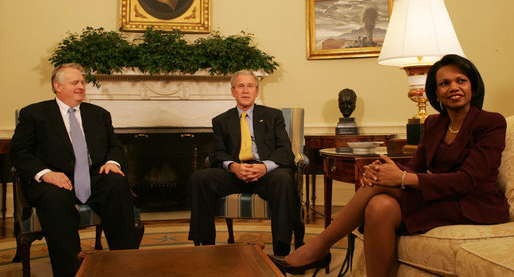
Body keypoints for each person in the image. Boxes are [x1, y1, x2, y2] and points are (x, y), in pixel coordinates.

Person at [270, 54, 509, 276]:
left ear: (472, 86)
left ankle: (319, 246)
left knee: (376, 189)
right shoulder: (436, 123)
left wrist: (401, 178)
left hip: (474, 203)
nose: (454, 87)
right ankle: (321, 250)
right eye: (444, 83)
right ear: (436, 93)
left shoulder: (490, 122)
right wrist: (382, 171)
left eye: (461, 80)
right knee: (379, 205)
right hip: (441, 198)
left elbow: (467, 181)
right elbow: (416, 166)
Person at [11, 63, 138, 277]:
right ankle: (71, 271)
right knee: (55, 201)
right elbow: (19, 152)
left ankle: (126, 264)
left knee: (116, 184)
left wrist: (112, 163)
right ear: (57, 86)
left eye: (82, 82)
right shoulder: (34, 114)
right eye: (75, 82)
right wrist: (45, 174)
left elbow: (115, 146)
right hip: (54, 180)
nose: (81, 86)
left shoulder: (99, 114)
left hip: (92, 176)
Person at [188, 70, 300, 256]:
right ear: (233, 91)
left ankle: (281, 251)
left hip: (266, 175)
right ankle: (204, 248)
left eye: (250, 86)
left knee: (284, 179)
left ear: (257, 91)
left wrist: (264, 167)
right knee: (199, 178)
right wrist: (234, 167)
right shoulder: (221, 121)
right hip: (235, 175)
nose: (245, 91)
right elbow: (217, 153)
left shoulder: (274, 116)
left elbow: (285, 151)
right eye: (240, 86)